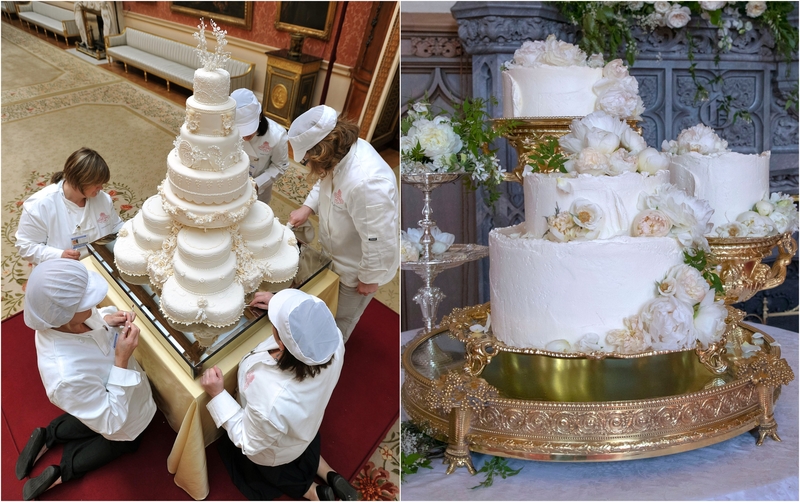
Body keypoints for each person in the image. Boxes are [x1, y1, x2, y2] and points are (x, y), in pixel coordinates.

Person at [17, 259, 156, 501]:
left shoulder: (59, 319)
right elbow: (112, 422)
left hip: (95, 397)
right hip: (119, 416)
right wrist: (121, 360)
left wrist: (105, 320)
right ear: (63, 314)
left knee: (84, 416)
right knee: (124, 441)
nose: (95, 304)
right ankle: (64, 470)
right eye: (88, 302)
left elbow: (84, 319)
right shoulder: (64, 375)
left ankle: (49, 435)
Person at [201, 289, 357, 501]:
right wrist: (281, 307)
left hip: (273, 448)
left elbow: (249, 442)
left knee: (274, 467)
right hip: (305, 425)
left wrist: (219, 395)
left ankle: (315, 494)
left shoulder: (272, 397)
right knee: (303, 444)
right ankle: (330, 474)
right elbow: (308, 323)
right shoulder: (334, 340)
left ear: (281, 342)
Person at [287, 106, 399, 342]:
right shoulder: (338, 156)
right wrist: (307, 208)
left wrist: (369, 277)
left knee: (341, 319)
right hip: (335, 253)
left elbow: (379, 238)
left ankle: (329, 357)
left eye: (307, 160)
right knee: (326, 304)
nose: (307, 165)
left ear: (320, 152)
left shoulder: (367, 182)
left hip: (358, 268)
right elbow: (323, 180)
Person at [15, 147, 124, 265]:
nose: (101, 188)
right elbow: (25, 246)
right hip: (61, 268)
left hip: (100, 262)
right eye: (96, 184)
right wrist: (59, 255)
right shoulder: (39, 206)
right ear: (78, 181)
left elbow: (115, 226)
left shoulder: (102, 199)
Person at [232, 88, 290, 204]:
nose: (246, 136)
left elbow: (280, 166)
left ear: (259, 116)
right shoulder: (227, 128)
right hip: (232, 180)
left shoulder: (277, 135)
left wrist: (257, 184)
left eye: (249, 128)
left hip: (259, 186)